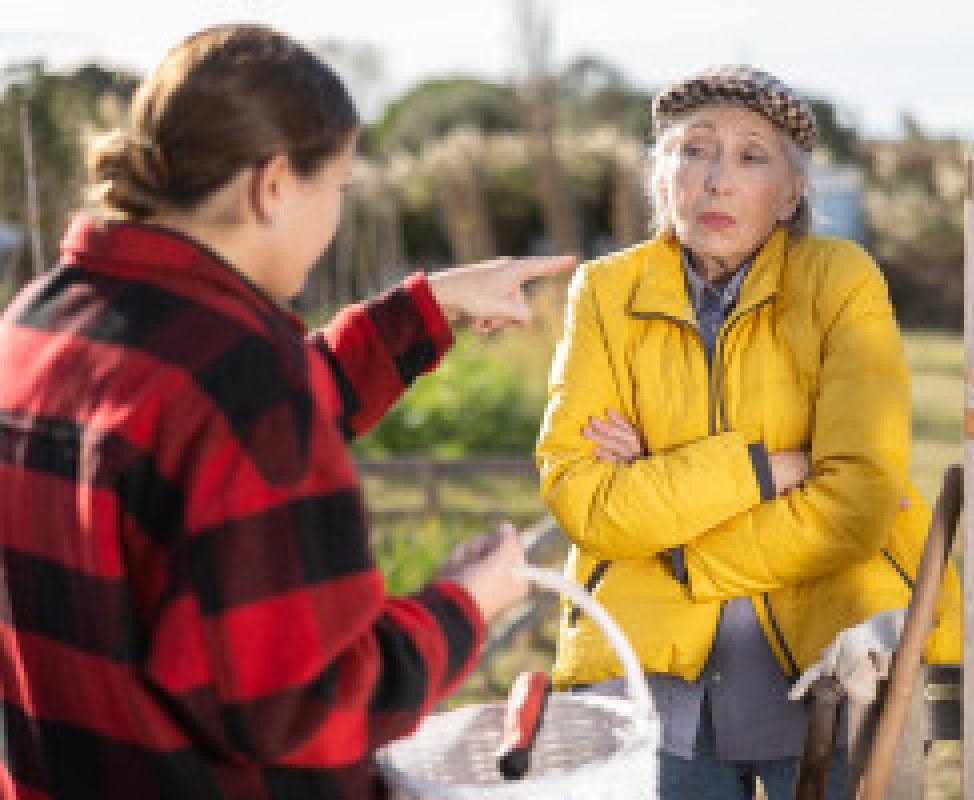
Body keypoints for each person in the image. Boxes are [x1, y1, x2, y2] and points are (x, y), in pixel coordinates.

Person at [0, 24, 573, 800]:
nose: (336, 213)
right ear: (272, 186)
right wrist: (464, 607)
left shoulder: (34, 325)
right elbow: (311, 709)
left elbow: (200, 438)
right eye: (336, 188)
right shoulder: (245, 379)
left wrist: (429, 305)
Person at [535, 65, 962, 799]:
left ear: (792, 194)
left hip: (830, 659)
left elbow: (856, 499)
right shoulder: (606, 291)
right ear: (659, 174)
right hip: (652, 682)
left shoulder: (840, 280)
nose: (716, 182)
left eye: (751, 157)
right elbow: (583, 500)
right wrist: (767, 471)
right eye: (694, 151)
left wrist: (677, 541)